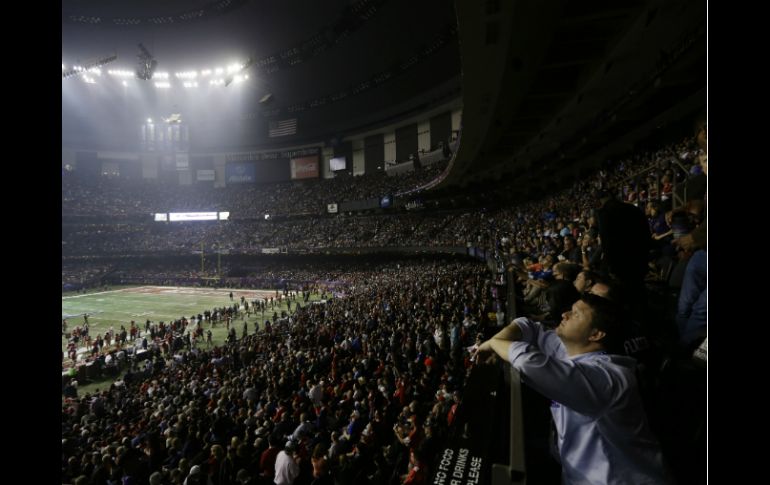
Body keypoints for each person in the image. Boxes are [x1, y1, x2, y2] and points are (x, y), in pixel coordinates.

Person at [475, 294, 670, 484]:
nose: (564, 315)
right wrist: (498, 339)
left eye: (576, 314)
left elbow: (529, 363)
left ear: (595, 334)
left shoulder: (609, 378)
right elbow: (529, 326)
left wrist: (493, 343)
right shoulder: (571, 349)